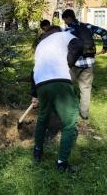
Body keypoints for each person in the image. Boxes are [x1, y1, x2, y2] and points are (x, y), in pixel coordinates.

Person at [31, 25, 84, 172]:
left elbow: (34, 70)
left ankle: (37, 152)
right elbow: (79, 45)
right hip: (60, 81)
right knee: (69, 123)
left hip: (41, 83)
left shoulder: (40, 45)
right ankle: (62, 164)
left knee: (43, 117)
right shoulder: (64, 35)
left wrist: (34, 95)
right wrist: (68, 63)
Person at [61, 9, 107, 127]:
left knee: (66, 85)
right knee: (86, 88)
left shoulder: (67, 31)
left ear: (68, 18)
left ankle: (66, 110)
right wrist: (105, 47)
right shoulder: (87, 26)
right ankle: (84, 114)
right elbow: (103, 32)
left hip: (74, 64)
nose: (65, 22)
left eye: (65, 20)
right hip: (89, 62)